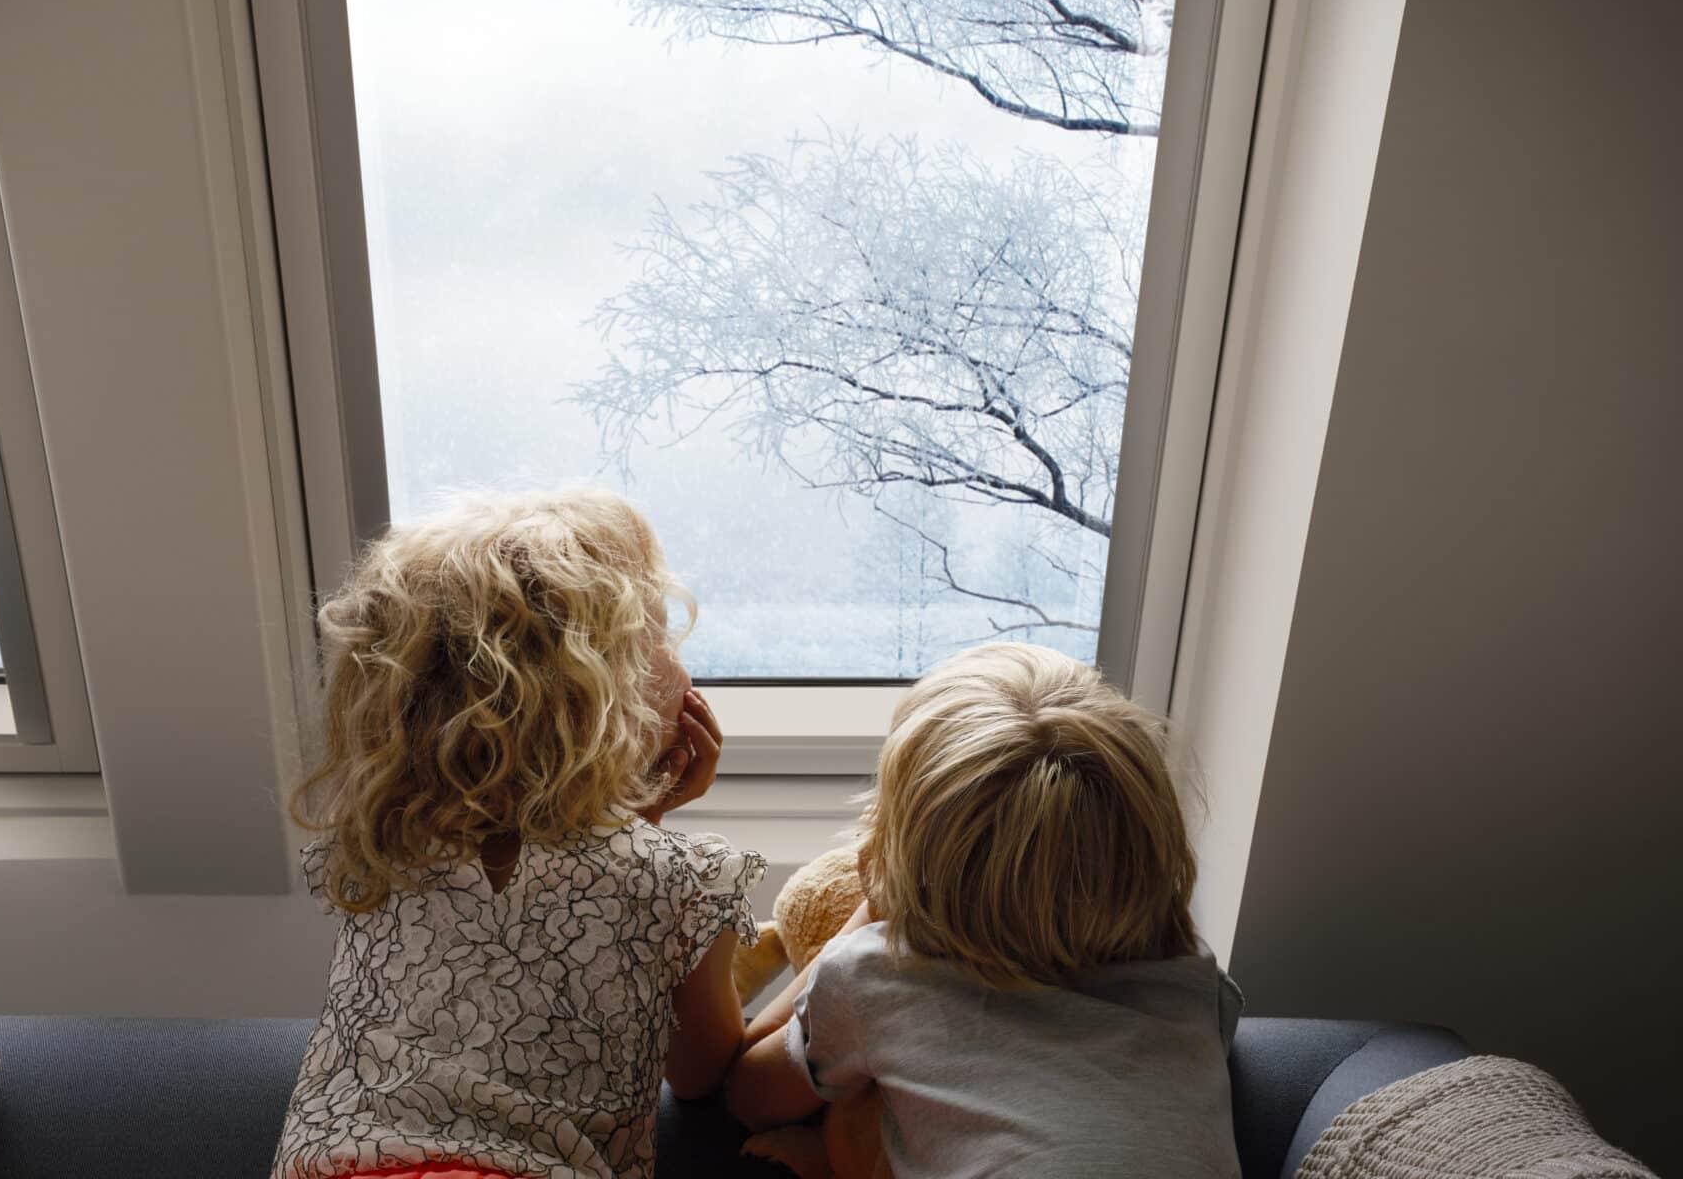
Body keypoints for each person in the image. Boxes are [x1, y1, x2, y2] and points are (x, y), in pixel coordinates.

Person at [272, 489, 763, 1179]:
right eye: (658, 640)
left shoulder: (386, 855)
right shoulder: (678, 883)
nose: (684, 668)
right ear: (602, 708)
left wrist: (638, 826)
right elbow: (700, 1073)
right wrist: (654, 839)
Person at [726, 642, 1245, 1178]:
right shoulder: (1196, 984)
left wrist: (876, 906)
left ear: (897, 860)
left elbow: (747, 1095)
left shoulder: (879, 976)